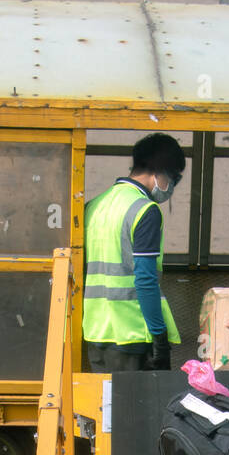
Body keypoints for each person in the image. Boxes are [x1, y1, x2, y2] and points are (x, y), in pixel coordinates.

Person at [83, 133, 185, 372]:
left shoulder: (94, 205)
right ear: (160, 172)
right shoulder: (145, 210)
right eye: (174, 178)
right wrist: (159, 337)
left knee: (107, 406)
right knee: (143, 408)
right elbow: (145, 280)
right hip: (133, 333)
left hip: (97, 331)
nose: (172, 187)